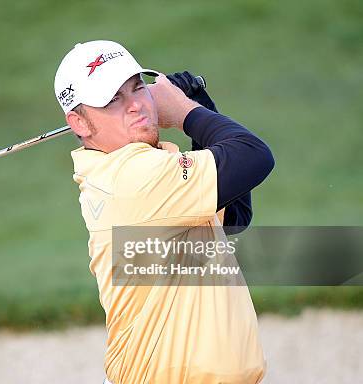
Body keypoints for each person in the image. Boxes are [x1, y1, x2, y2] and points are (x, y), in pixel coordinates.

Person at [54, 40, 274, 383]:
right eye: (112, 100)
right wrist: (187, 112)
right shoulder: (132, 177)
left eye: (137, 87)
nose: (135, 105)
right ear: (79, 123)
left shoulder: (147, 168)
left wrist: (201, 104)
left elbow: (234, 217)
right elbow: (254, 156)